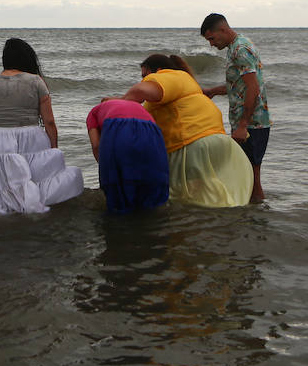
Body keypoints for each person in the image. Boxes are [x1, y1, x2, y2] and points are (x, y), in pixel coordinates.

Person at [0, 38, 84, 214]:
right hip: (31, 136)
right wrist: (53, 149)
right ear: (27, 58)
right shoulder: (35, 81)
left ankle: (6, 202)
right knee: (34, 177)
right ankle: (30, 201)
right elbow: (49, 121)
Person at [120, 53, 252, 208]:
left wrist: (119, 103)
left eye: (145, 75)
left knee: (186, 200)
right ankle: (223, 227)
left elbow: (141, 91)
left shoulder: (167, 76)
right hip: (220, 143)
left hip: (193, 144)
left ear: (159, 70)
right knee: (208, 197)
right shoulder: (187, 81)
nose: (143, 79)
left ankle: (200, 229)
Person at [200, 13, 270, 203]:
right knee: (246, 172)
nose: (211, 44)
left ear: (222, 30)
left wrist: (243, 125)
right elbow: (240, 85)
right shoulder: (237, 46)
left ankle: (257, 220)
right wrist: (213, 91)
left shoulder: (240, 50)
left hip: (252, 124)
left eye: (212, 39)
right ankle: (253, 219)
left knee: (252, 175)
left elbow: (253, 87)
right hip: (249, 122)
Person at [86, 98, 170, 215]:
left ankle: (121, 217)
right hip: (151, 129)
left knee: (116, 186)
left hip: (117, 125)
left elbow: (96, 145)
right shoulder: (137, 107)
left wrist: (106, 165)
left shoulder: (94, 112)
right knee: (151, 182)